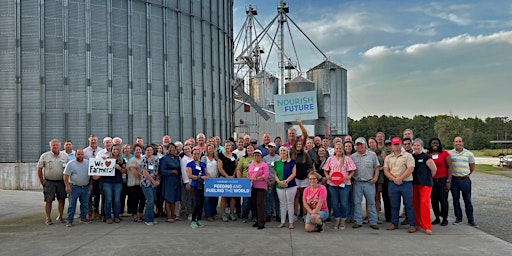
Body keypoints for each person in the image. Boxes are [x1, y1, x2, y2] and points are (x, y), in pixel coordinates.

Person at [383, 137, 416, 233]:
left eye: (398, 144)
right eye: (394, 144)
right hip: (393, 183)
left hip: (406, 183)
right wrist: (394, 179)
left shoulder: (408, 156)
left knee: (409, 205)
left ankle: (412, 224)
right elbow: (386, 170)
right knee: (394, 205)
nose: (396, 146)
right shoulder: (388, 158)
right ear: (392, 146)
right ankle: (394, 223)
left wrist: (400, 178)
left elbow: (410, 169)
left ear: (400, 144)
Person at [323, 142, 356, 230]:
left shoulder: (347, 159)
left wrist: (349, 176)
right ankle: (337, 219)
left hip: (344, 183)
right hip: (332, 183)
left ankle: (343, 220)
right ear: (334, 149)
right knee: (335, 203)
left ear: (343, 150)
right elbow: (326, 170)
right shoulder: (330, 159)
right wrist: (327, 175)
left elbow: (353, 170)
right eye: (336, 149)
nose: (338, 150)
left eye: (340, 149)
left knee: (344, 203)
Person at [37, 139, 69, 225]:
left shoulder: (65, 156)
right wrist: (41, 180)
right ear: (50, 146)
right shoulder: (45, 156)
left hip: (61, 181)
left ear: (60, 146)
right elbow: (39, 168)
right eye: (53, 145)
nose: (55, 147)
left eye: (56, 145)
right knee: (48, 200)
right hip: (49, 182)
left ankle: (61, 216)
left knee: (61, 199)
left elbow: (69, 169)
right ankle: (48, 218)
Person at [351, 137, 380, 230]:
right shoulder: (352, 157)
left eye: (361, 144)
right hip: (357, 182)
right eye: (358, 144)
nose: (360, 146)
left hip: (369, 182)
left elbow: (377, 167)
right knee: (357, 203)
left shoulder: (372, 155)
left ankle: (373, 221)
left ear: (365, 145)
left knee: (371, 202)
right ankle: (357, 221)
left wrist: (375, 178)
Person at [449, 136, 478, 227]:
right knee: (455, 200)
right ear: (453, 143)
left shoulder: (469, 154)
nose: (458, 143)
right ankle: (458, 218)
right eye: (456, 141)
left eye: (460, 141)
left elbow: (472, 166)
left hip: (465, 179)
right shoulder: (450, 153)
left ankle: (471, 219)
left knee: (467, 200)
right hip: (454, 180)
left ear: (463, 143)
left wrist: (467, 174)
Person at [412, 138, 437, 235]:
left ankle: (427, 226)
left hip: (425, 184)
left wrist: (428, 178)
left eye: (418, 145)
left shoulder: (426, 157)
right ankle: (418, 223)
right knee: (415, 204)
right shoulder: (412, 156)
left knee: (424, 204)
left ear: (421, 146)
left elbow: (434, 170)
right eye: (415, 145)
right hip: (414, 183)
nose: (416, 147)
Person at [63, 149, 91, 227]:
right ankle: (70, 220)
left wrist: (90, 185)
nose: (80, 156)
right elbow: (65, 175)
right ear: (75, 155)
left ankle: (83, 218)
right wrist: (67, 186)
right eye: (78, 154)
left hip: (85, 187)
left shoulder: (88, 163)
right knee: (72, 204)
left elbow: (91, 174)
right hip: (74, 187)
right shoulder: (71, 163)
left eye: (82, 154)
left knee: (84, 204)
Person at [428, 138, 453, 226]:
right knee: (434, 200)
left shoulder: (444, 153)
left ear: (439, 144)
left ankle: (445, 218)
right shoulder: (428, 154)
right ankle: (437, 217)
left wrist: (448, 181)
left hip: (443, 179)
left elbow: (450, 167)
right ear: (430, 144)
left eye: (437, 143)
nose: (435, 145)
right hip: (432, 180)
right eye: (433, 143)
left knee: (443, 200)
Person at [274, 146, 297, 229]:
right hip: (279, 186)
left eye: (284, 150)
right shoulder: (277, 163)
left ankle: (291, 222)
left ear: (287, 152)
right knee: (282, 204)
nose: (282, 152)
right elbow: (275, 175)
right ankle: (282, 222)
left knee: (290, 204)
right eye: (281, 150)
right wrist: (279, 181)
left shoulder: (292, 162)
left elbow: (294, 174)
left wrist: (286, 181)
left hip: (290, 185)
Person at [102, 144, 126, 224]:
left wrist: (120, 168)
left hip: (118, 183)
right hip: (107, 182)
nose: (115, 151)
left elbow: (125, 171)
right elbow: (100, 169)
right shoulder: (107, 159)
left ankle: (116, 216)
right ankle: (108, 217)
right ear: (111, 150)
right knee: (108, 199)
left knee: (117, 200)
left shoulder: (122, 160)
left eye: (117, 149)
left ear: (119, 151)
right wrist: (103, 161)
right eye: (114, 149)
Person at [186, 149, 210, 228]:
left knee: (201, 203)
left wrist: (206, 177)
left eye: (198, 154)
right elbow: (189, 175)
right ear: (192, 155)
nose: (196, 155)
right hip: (194, 185)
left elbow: (207, 174)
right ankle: (193, 220)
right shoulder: (189, 164)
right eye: (195, 154)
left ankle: (199, 219)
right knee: (196, 203)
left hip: (202, 185)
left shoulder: (203, 164)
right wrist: (199, 177)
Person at [159, 143, 181, 222]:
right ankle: (168, 216)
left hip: (176, 181)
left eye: (173, 148)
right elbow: (162, 171)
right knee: (168, 199)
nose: (172, 149)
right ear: (167, 149)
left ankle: (173, 214)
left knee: (174, 199)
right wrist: (172, 171)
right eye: (170, 148)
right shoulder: (164, 159)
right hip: (168, 180)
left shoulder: (176, 158)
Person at [291, 140, 313, 220]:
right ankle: (295, 214)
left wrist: (308, 174)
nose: (299, 145)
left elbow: (310, 166)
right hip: (295, 178)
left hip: (304, 178)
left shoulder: (305, 155)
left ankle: (305, 214)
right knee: (296, 196)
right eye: (297, 144)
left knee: (304, 197)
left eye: (300, 144)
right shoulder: (291, 154)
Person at [248, 149, 269, 229]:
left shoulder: (264, 165)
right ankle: (257, 220)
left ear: (261, 156)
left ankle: (261, 221)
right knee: (254, 204)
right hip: (253, 187)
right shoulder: (251, 165)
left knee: (259, 203)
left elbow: (266, 175)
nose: (256, 157)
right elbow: (248, 174)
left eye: (258, 155)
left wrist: (256, 178)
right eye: (255, 155)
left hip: (261, 187)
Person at [83, 135, 103, 220]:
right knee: (89, 194)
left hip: (99, 177)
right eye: (91, 140)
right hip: (88, 176)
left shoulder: (101, 151)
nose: (93, 142)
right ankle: (89, 211)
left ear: (97, 141)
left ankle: (96, 211)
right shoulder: (85, 151)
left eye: (94, 140)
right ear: (89, 141)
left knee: (97, 194)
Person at [218, 140, 238, 221]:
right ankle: (223, 214)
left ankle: (232, 213)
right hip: (224, 178)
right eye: (226, 145)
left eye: (229, 145)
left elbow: (237, 166)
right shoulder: (221, 156)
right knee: (224, 196)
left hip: (233, 178)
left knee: (233, 196)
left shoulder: (234, 155)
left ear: (231, 146)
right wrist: (227, 176)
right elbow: (220, 168)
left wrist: (233, 175)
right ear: (224, 146)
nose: (228, 147)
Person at [140, 145, 160, 226]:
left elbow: (157, 171)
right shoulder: (143, 159)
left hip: (154, 183)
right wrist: (153, 181)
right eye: (147, 150)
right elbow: (145, 172)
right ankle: (148, 219)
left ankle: (151, 218)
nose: (149, 151)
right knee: (150, 200)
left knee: (152, 201)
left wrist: (158, 180)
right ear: (145, 151)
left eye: (150, 150)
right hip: (146, 183)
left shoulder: (156, 159)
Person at [368, 137, 386, 223]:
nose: (371, 144)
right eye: (370, 143)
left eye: (373, 142)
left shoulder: (381, 152)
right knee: (369, 197)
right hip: (369, 177)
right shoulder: (367, 152)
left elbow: (386, 163)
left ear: (376, 143)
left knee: (377, 197)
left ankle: (376, 215)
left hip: (379, 177)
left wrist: (379, 169)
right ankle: (368, 215)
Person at [237, 144, 255, 222]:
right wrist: (240, 181)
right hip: (245, 181)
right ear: (246, 150)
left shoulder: (256, 157)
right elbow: (238, 170)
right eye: (248, 148)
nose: (249, 149)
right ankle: (245, 216)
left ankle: (255, 216)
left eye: (251, 148)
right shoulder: (243, 159)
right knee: (246, 200)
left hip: (256, 181)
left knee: (254, 199)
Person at [127, 143, 145, 222]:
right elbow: (134, 172)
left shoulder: (143, 159)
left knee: (143, 199)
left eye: (139, 150)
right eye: (136, 150)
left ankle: (141, 213)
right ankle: (135, 214)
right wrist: (143, 179)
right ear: (133, 151)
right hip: (134, 183)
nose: (138, 151)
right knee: (135, 199)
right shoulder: (132, 160)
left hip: (142, 183)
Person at [201, 144, 220, 222]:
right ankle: (208, 215)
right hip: (207, 181)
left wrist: (217, 175)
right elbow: (202, 167)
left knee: (215, 198)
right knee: (207, 198)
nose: (211, 150)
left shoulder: (216, 159)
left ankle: (213, 213)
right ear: (207, 150)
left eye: (212, 148)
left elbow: (219, 168)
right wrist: (207, 175)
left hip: (215, 180)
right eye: (209, 148)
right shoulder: (204, 158)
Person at [262, 142, 280, 222]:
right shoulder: (265, 158)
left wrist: (275, 180)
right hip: (268, 181)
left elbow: (279, 170)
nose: (271, 148)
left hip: (277, 180)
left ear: (275, 148)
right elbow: (263, 170)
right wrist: (267, 180)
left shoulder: (279, 158)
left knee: (277, 198)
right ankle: (268, 214)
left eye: (272, 147)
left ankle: (278, 214)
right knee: (268, 198)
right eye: (269, 147)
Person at [180, 145, 194, 220]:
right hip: (189, 181)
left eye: (188, 149)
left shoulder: (193, 157)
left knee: (194, 198)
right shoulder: (184, 160)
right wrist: (186, 182)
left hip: (195, 181)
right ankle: (190, 213)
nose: (187, 150)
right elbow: (184, 172)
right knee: (189, 198)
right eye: (185, 149)